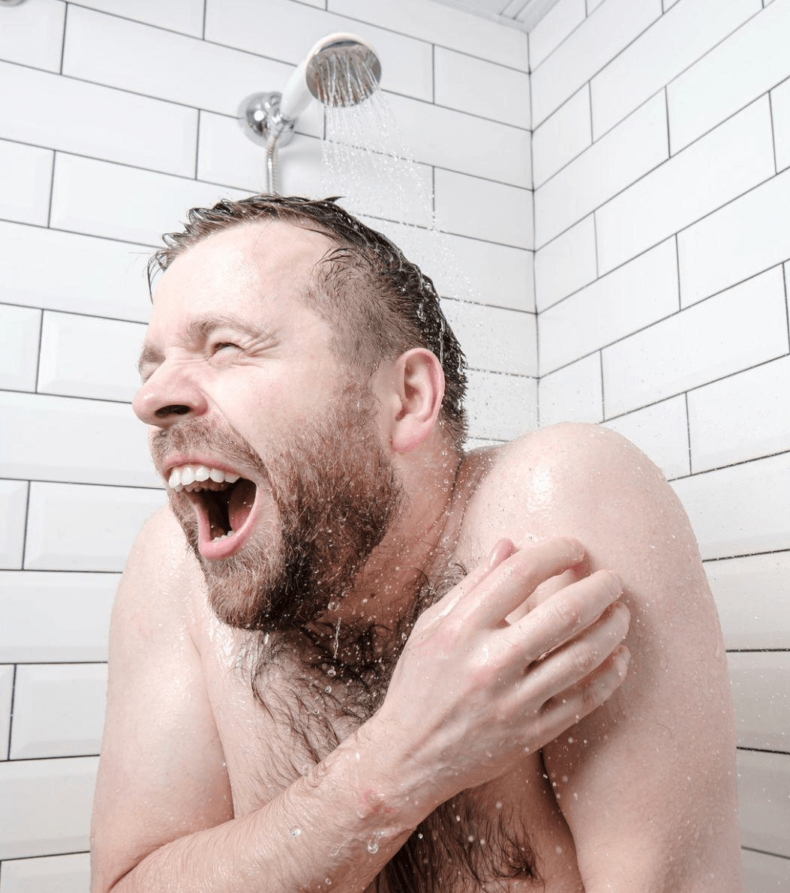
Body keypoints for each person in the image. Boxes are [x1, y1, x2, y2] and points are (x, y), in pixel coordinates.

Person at [90, 196, 742, 892]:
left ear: (405, 397)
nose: (151, 399)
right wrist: (396, 761)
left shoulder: (558, 506)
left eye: (226, 346)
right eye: (152, 366)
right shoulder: (172, 566)